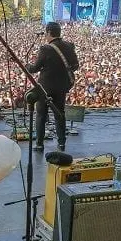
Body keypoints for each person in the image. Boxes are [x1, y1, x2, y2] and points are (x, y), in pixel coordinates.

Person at [26, 21, 79, 151]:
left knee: (41, 114)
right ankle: (61, 143)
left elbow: (35, 68)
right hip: (61, 86)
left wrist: (28, 66)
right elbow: (76, 65)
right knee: (59, 113)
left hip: (45, 87)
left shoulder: (46, 48)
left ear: (49, 32)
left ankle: (39, 144)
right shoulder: (69, 46)